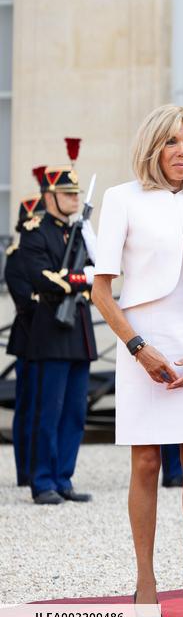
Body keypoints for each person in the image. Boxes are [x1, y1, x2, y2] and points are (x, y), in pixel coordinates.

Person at [91, 104, 183, 617]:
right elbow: (101, 290)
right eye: (172, 142)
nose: (182, 151)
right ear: (154, 148)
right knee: (147, 462)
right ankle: (145, 578)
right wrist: (137, 348)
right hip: (141, 345)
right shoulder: (120, 199)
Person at [19, 144, 97, 506]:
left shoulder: (79, 232)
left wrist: (86, 275)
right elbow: (41, 278)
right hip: (51, 329)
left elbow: (100, 271)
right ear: (50, 196)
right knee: (48, 412)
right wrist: (82, 279)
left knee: (75, 412)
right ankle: (43, 480)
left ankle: (64, 476)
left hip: (78, 328)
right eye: (68, 193)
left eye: (77, 193)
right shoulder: (35, 232)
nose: (75, 198)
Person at [4, 189, 44, 487]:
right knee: (28, 408)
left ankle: (46, 468)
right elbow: (26, 301)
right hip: (30, 340)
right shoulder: (16, 258)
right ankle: (26, 471)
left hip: (54, 340)